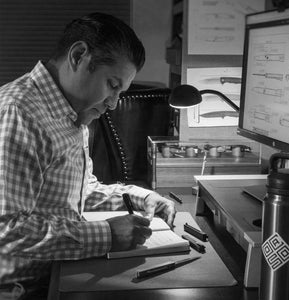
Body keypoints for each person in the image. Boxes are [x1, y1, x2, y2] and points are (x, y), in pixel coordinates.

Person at [0, 12, 176, 299]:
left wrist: (139, 197)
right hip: (21, 291)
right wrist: (107, 236)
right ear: (79, 56)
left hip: (56, 274)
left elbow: (77, 191)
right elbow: (6, 231)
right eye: (113, 85)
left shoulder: (71, 113)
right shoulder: (20, 114)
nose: (114, 104)